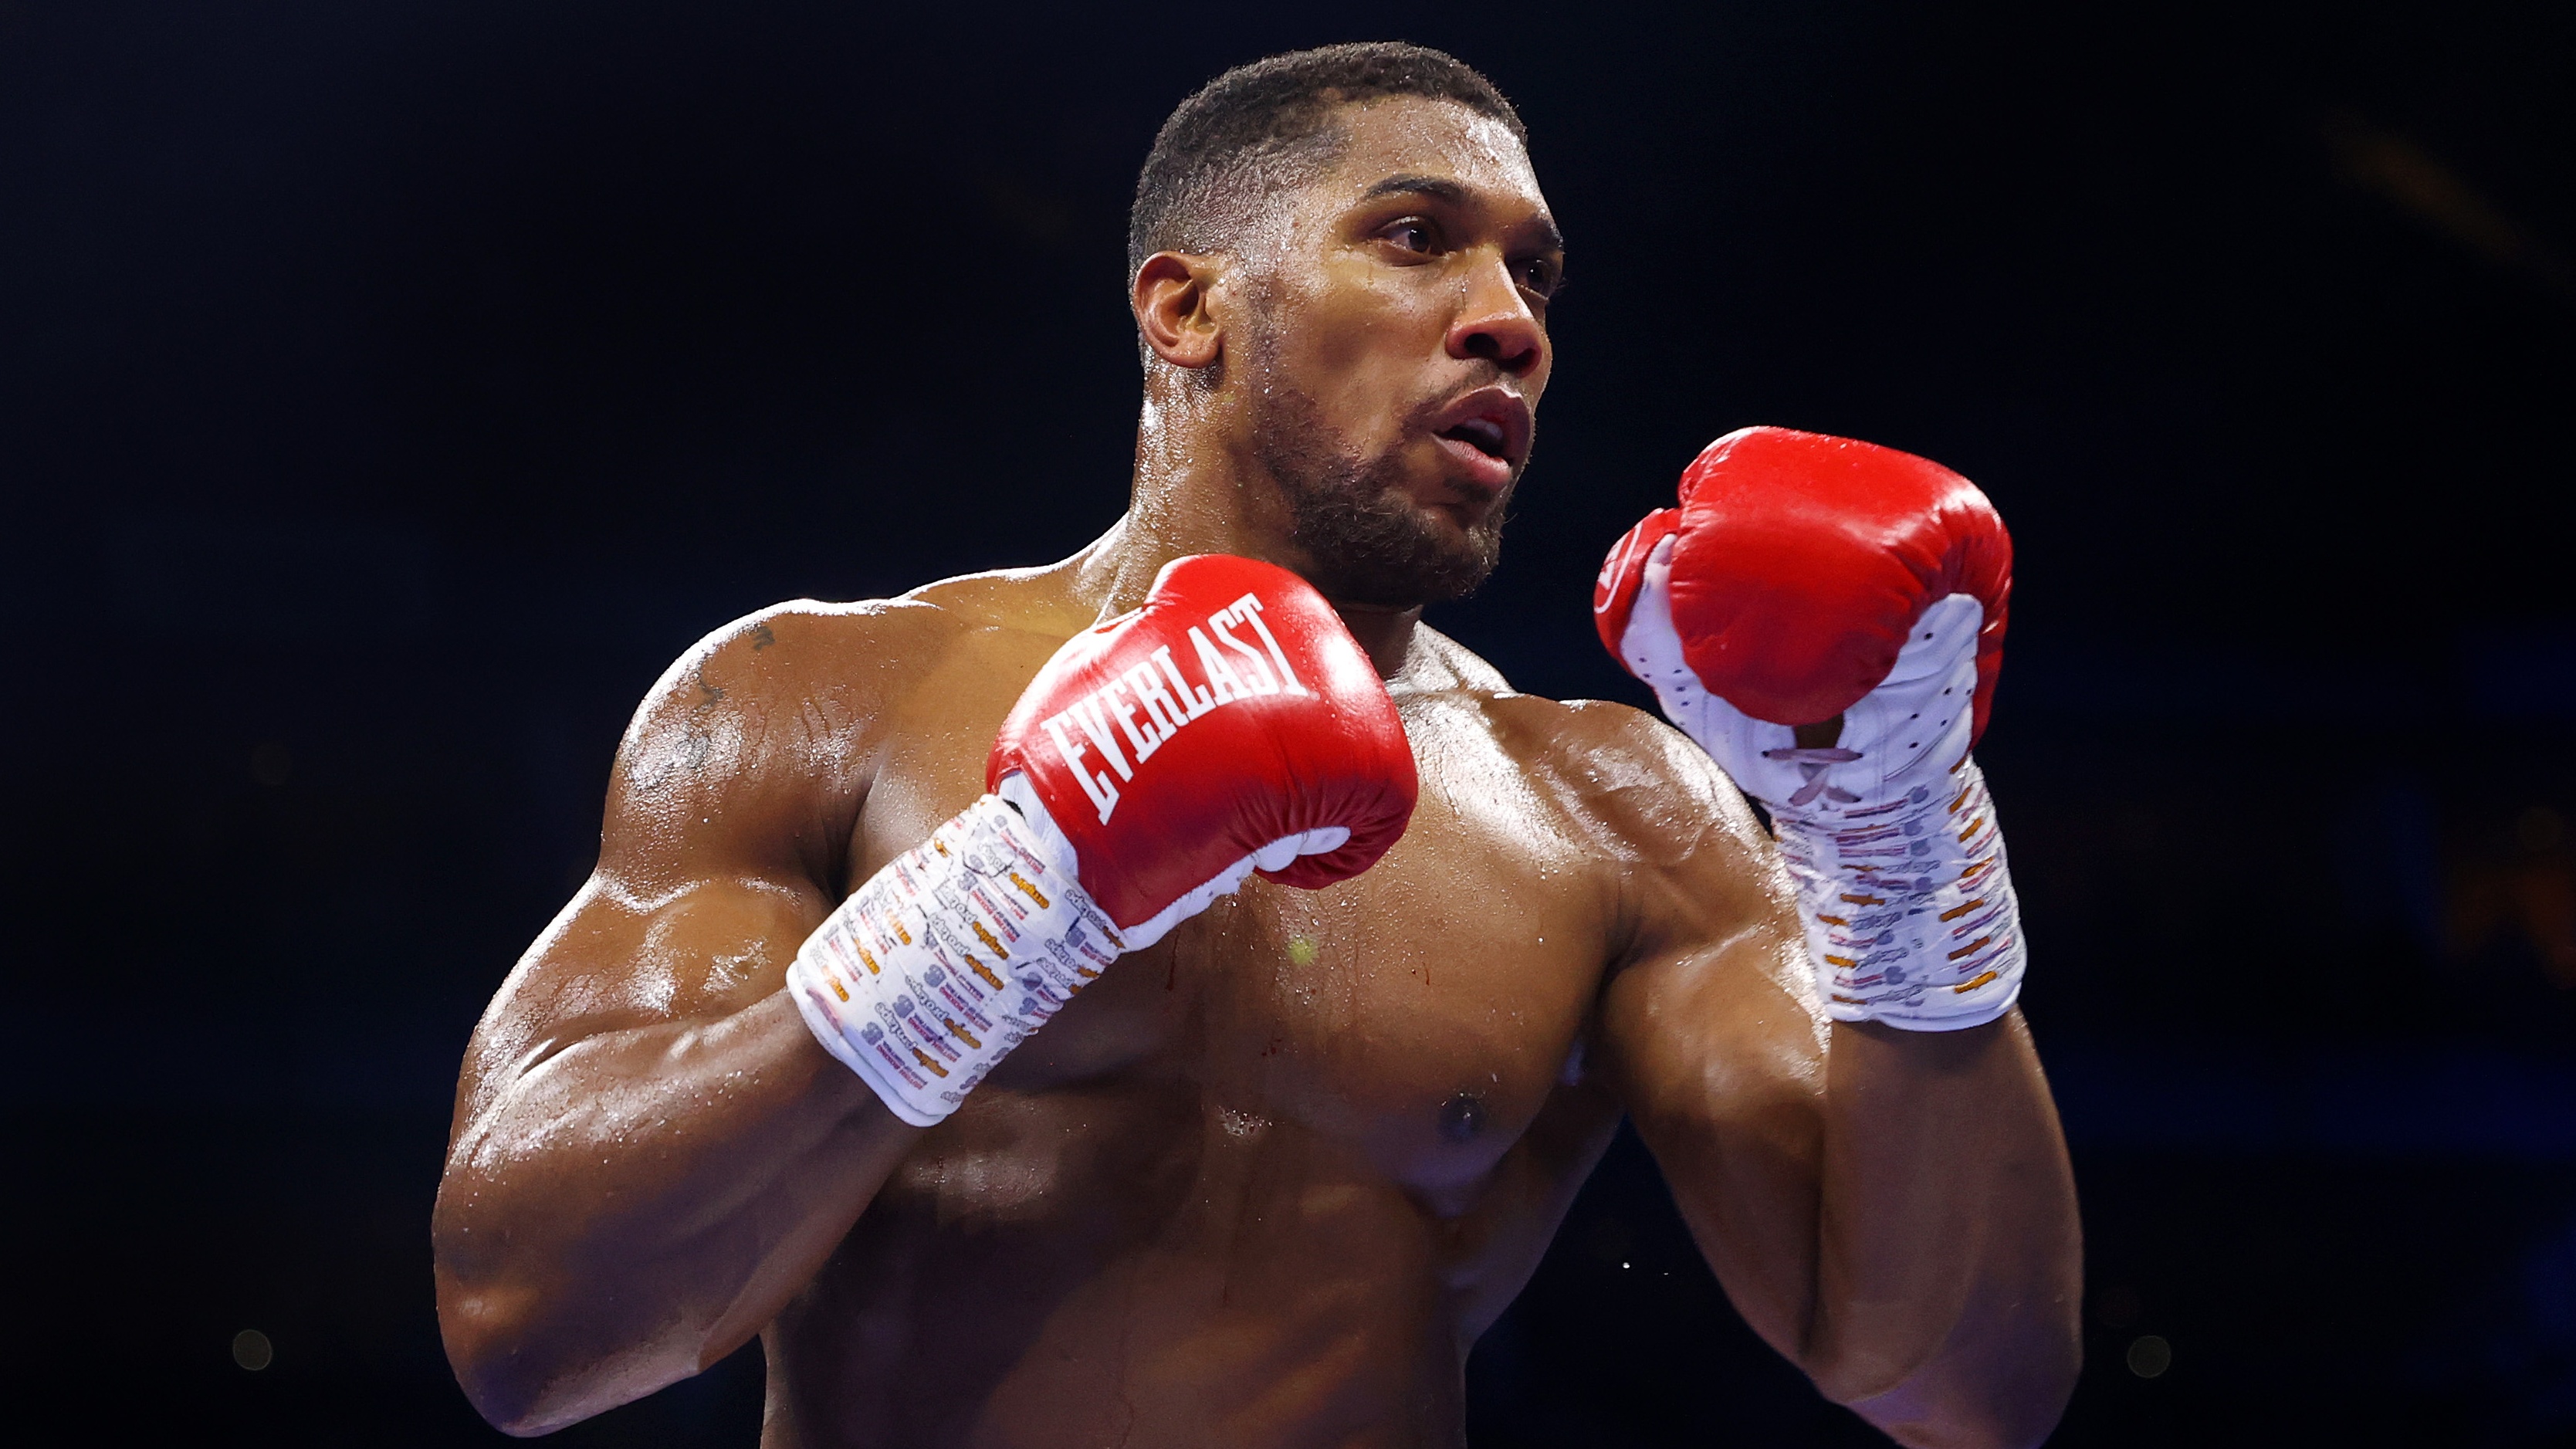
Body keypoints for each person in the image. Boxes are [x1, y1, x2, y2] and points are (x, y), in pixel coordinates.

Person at [432, 42, 2081, 1447]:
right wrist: (1004, 905)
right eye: (1418, 238)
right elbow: (527, 1324)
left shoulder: (1612, 809)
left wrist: (1898, 840)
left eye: (1535, 274)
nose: (1509, 320)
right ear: (1187, 307)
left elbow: (1956, 1386)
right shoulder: (821, 696)